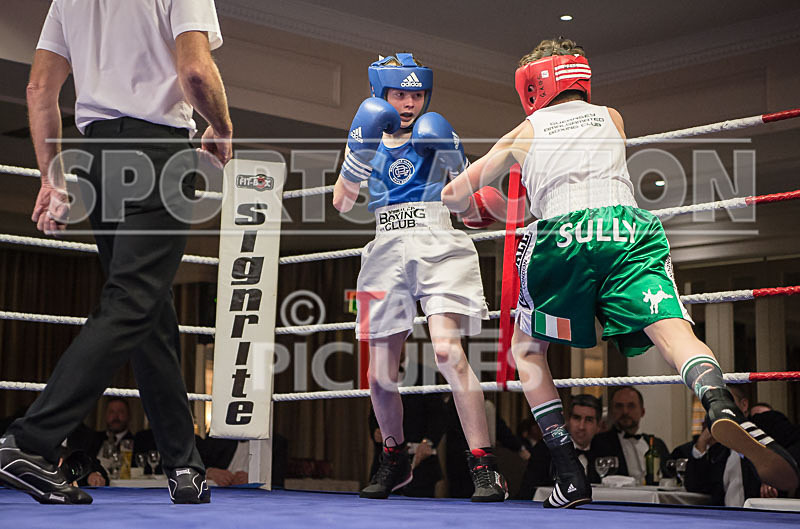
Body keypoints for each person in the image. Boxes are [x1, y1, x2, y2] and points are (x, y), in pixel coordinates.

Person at [441, 37, 800, 508]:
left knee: (527, 351)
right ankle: (717, 401)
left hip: (560, 236)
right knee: (672, 332)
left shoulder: (525, 131)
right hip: (628, 228)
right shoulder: (613, 117)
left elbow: (454, 197)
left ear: (533, 85)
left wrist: (476, 207)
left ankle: (569, 475)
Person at [0, 0, 232, 505]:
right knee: (132, 299)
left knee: (147, 306)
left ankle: (183, 465)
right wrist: (222, 125)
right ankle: (27, 442)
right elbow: (195, 69)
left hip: (97, 156)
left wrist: (51, 174)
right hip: (157, 153)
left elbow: (39, 88)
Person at [333, 53, 507, 502]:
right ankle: (393, 456)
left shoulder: (436, 132)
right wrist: (355, 157)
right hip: (385, 247)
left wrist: (461, 177)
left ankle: (484, 465)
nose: (408, 104)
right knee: (378, 375)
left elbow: (468, 209)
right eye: (399, 95)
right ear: (382, 96)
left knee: (448, 351)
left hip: (436, 241)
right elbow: (341, 203)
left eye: (416, 95)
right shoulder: (367, 137)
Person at [517, 394, 602, 500]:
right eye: (577, 418)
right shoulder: (546, 449)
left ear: (599, 426)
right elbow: (528, 490)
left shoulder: (604, 449)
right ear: (567, 421)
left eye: (588, 420)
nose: (581, 426)